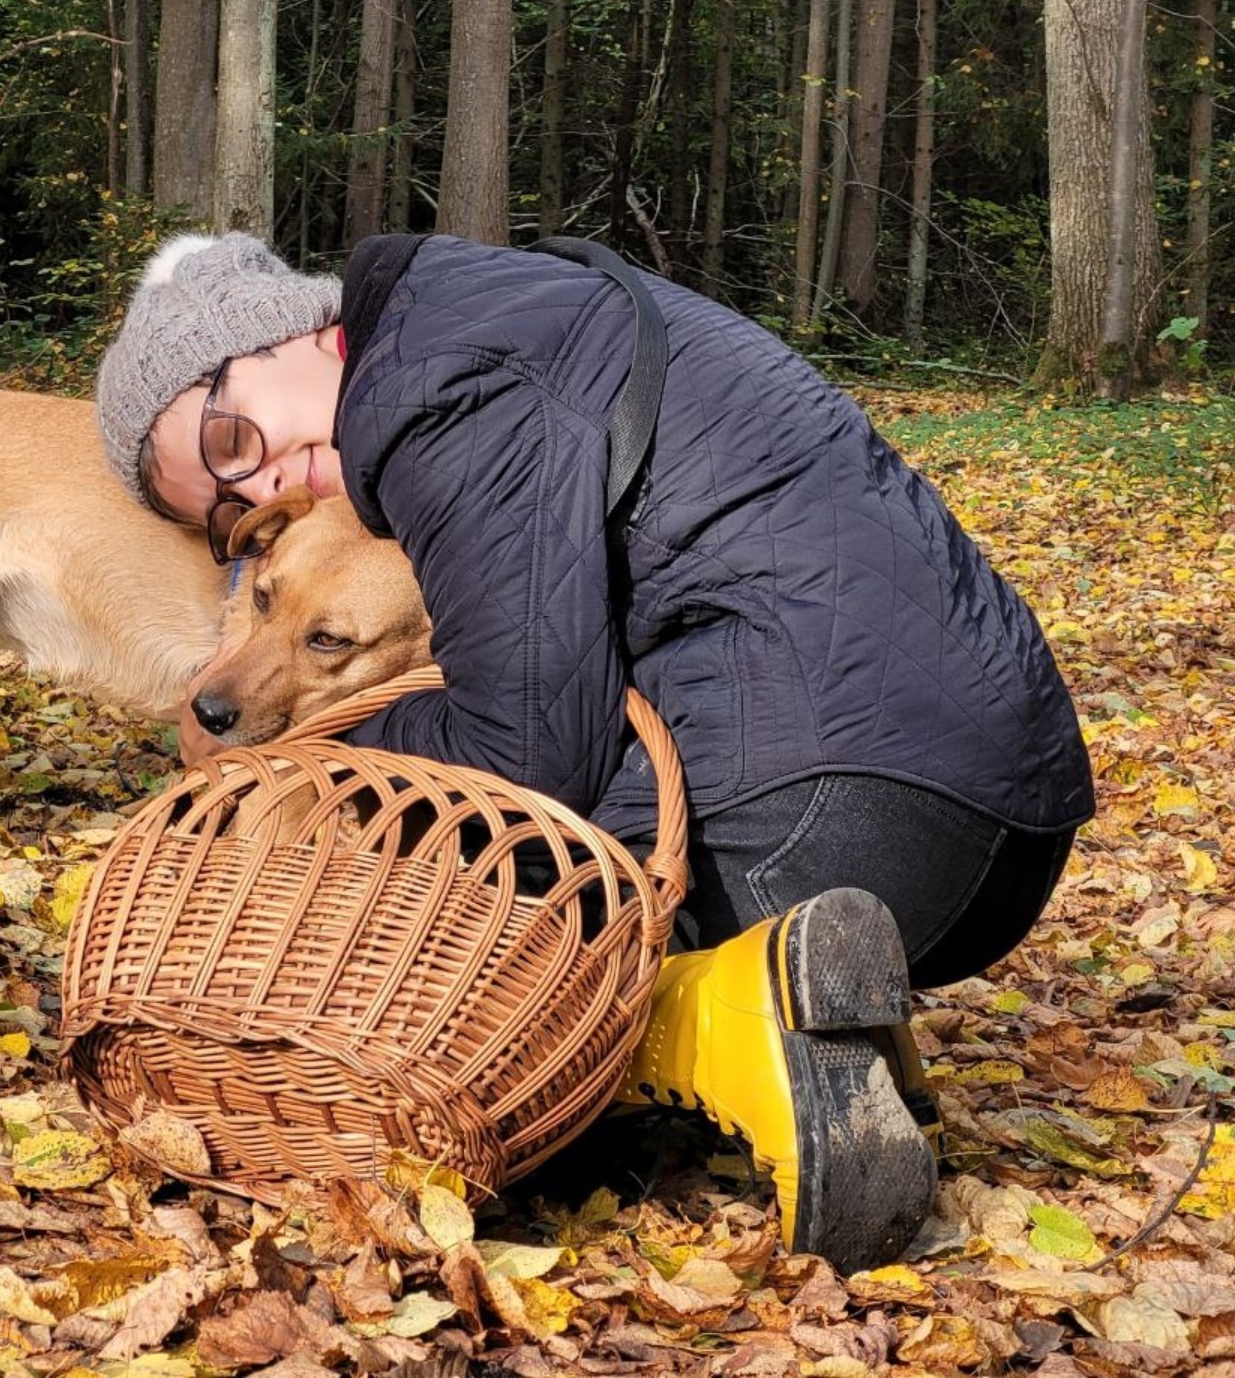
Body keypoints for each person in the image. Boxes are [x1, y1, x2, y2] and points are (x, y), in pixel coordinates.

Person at [93, 231, 1094, 1271]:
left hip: (837, 801)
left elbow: (520, 753)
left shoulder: (431, 392)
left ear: (272, 335)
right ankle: (840, 1028)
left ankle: (737, 1019)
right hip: (997, 816)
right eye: (225, 503)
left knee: (475, 993)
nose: (259, 478)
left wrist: (320, 753)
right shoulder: (489, 314)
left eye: (228, 435)